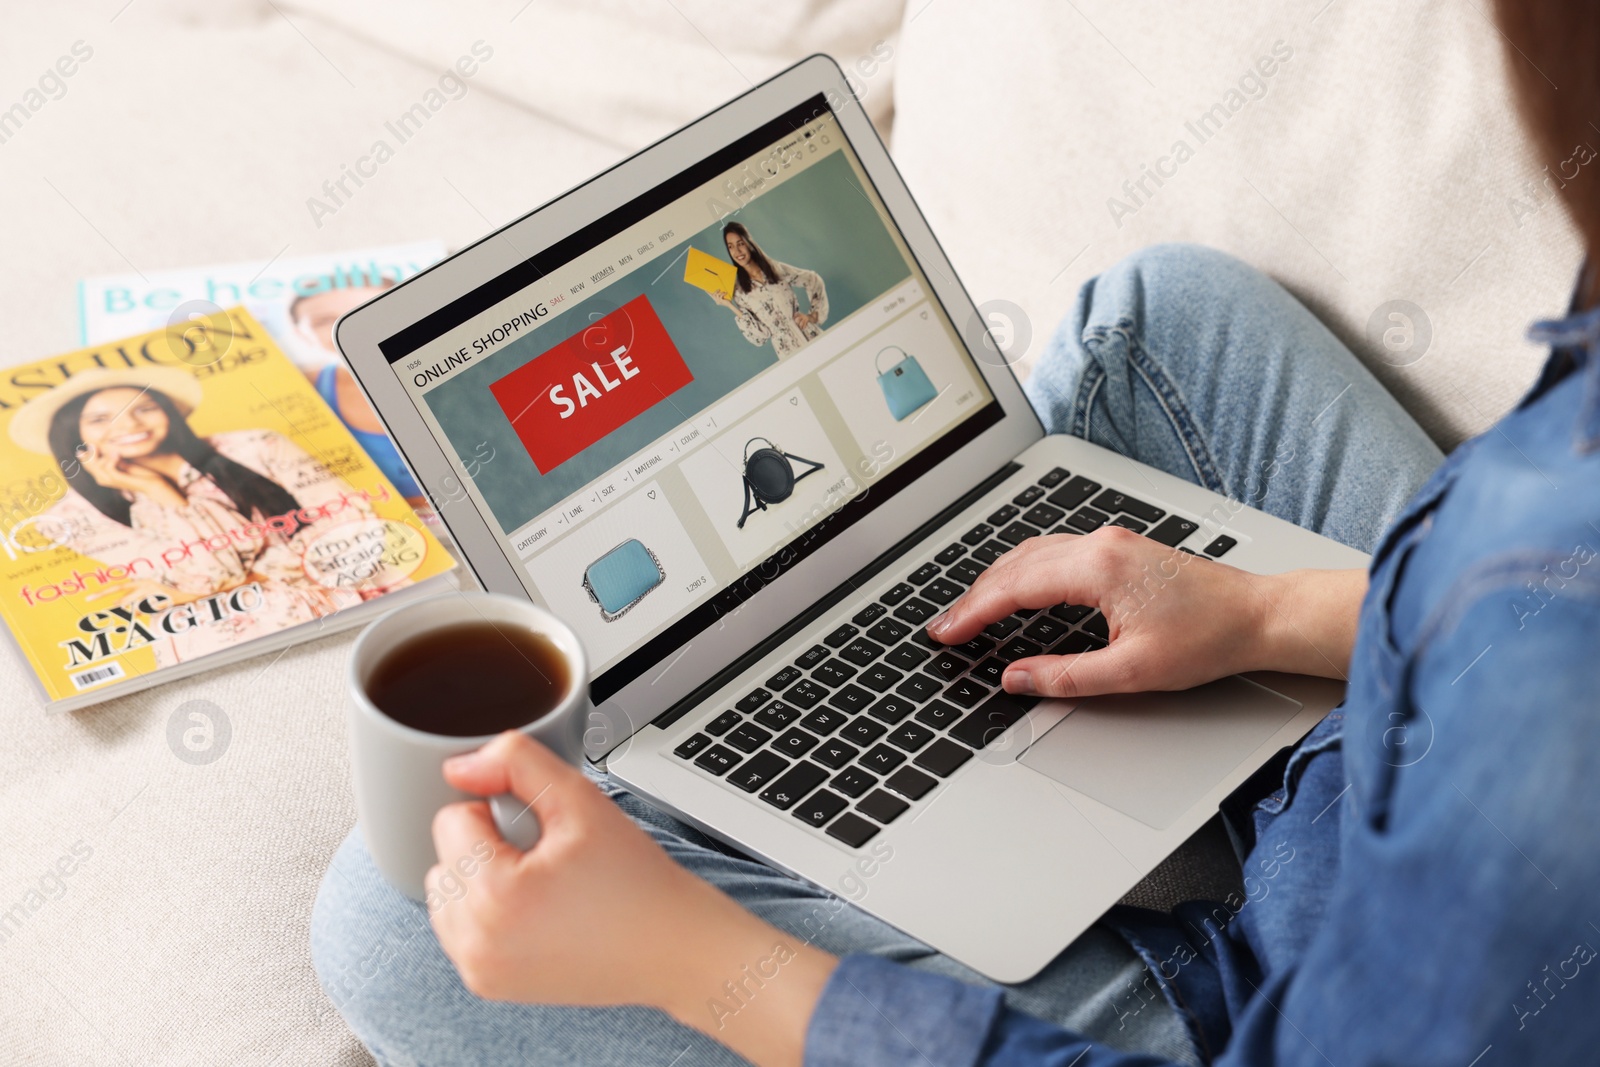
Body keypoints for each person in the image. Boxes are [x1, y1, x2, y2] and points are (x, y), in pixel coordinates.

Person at [311, 2, 1600, 1064]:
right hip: (1416, 799)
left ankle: (1136, 993)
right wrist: (1270, 614)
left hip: (1294, 1011)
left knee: (396, 913)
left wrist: (688, 959)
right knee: (1167, 318)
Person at [13, 367, 382, 663]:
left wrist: (240, 579)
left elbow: (357, 529)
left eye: (144, 408)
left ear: (167, 413)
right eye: (100, 419)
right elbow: (208, 576)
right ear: (72, 434)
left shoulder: (256, 446)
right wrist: (160, 493)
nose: (128, 426)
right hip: (218, 650)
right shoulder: (73, 518)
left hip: (343, 608)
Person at [289, 280, 427, 505]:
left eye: (368, 312)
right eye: (324, 321)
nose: (352, 329)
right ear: (301, 334)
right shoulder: (305, 387)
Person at [710, 222, 829, 358]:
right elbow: (761, 337)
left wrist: (812, 316)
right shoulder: (739, 291)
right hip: (787, 351)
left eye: (740, 243)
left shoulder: (775, 269)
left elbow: (812, 279)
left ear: (749, 243)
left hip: (811, 336)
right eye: (730, 247)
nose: (737, 252)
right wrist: (729, 305)